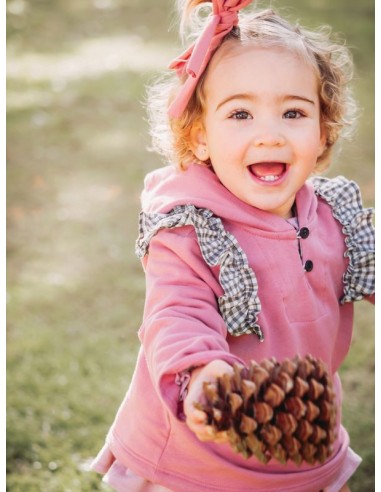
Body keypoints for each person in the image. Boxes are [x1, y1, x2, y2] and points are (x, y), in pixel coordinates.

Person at [90, 1, 375, 490]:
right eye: (240, 113)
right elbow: (174, 314)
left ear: (323, 131)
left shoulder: (337, 215)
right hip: (198, 456)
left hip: (302, 433)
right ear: (200, 137)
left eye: (293, 112)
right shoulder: (190, 230)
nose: (269, 134)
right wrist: (206, 376)